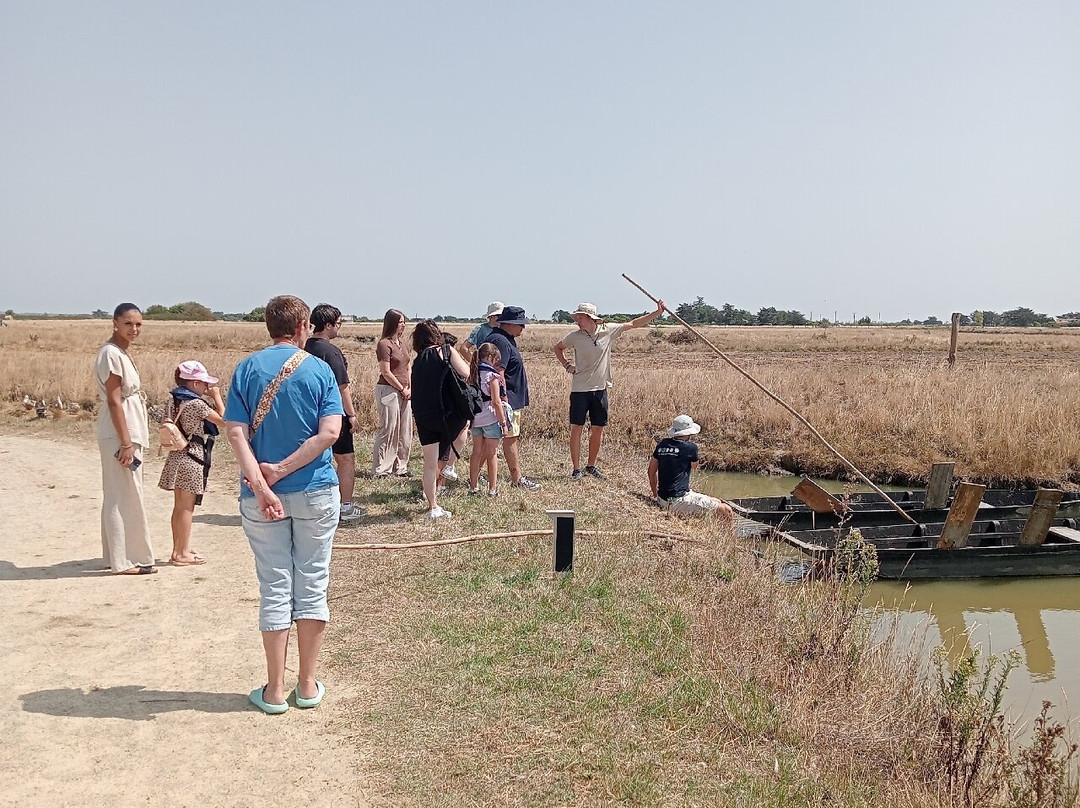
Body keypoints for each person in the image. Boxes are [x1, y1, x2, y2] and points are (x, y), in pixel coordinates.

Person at [225, 295, 344, 715]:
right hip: (314, 489)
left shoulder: (246, 369)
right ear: (303, 326)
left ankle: (274, 690)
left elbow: (236, 432)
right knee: (312, 581)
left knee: (274, 585)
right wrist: (283, 469)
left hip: (259, 497)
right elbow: (330, 432)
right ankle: (307, 684)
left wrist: (261, 482)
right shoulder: (320, 371)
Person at [554, 300, 665, 480]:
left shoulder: (608, 330)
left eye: (580, 318)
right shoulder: (574, 337)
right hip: (579, 389)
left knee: (598, 428)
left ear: (590, 318)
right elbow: (557, 348)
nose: (577, 321)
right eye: (576, 318)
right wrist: (567, 365)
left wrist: (656, 312)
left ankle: (591, 465)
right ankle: (576, 469)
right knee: (577, 428)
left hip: (600, 389)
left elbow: (634, 323)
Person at [95, 303, 157, 575]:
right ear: (115, 323)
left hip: (129, 427)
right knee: (124, 494)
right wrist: (126, 442)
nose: (134, 329)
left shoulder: (121, 352)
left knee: (121, 492)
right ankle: (125, 560)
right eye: (128, 323)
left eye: (139, 324)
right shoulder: (111, 354)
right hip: (121, 431)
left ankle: (116, 556)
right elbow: (114, 400)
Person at [157, 360, 226, 565]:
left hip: (177, 455)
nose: (207, 387)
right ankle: (182, 553)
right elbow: (224, 420)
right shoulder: (196, 404)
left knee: (178, 507)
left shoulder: (173, 400)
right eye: (204, 383)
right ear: (194, 383)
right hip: (192, 456)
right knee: (187, 508)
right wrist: (217, 397)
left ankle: (179, 548)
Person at [305, 304, 363, 524]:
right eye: (337, 324)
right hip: (332, 412)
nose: (339, 328)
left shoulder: (303, 347)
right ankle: (344, 506)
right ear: (327, 325)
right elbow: (342, 386)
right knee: (345, 459)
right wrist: (351, 414)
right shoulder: (330, 352)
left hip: (308, 412)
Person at [409, 319, 470, 519]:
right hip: (446, 413)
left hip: (423, 414)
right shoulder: (445, 350)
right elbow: (466, 372)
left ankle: (433, 506)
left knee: (429, 463)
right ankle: (450, 465)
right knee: (465, 424)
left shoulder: (418, 360)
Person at [485, 306, 541, 491]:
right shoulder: (501, 341)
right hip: (507, 400)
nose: (522, 328)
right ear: (507, 323)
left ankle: (475, 477)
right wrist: (503, 398)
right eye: (520, 324)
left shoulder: (503, 339)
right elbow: (498, 371)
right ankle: (517, 479)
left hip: (508, 399)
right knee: (509, 437)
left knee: (491, 439)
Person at [648, 414, 734, 519]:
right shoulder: (691, 448)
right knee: (726, 510)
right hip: (678, 500)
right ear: (688, 432)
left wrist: (655, 494)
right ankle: (728, 535)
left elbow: (651, 471)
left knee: (717, 501)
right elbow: (694, 466)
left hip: (662, 498)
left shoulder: (662, 444)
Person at [372, 308, 413, 478]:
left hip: (405, 391)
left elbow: (408, 365)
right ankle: (381, 468)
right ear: (393, 323)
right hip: (389, 390)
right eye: (401, 322)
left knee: (404, 429)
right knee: (389, 428)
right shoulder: (384, 344)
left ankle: (400, 466)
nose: (404, 325)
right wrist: (401, 388)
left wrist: (409, 386)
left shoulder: (402, 344)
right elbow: (386, 372)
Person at [467, 342, 511, 496]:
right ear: (490, 357)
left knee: (476, 452)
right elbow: (496, 401)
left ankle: (473, 487)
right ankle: (492, 489)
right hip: (490, 417)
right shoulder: (492, 376)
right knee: (492, 453)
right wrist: (504, 423)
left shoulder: (473, 372)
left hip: (476, 418)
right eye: (495, 359)